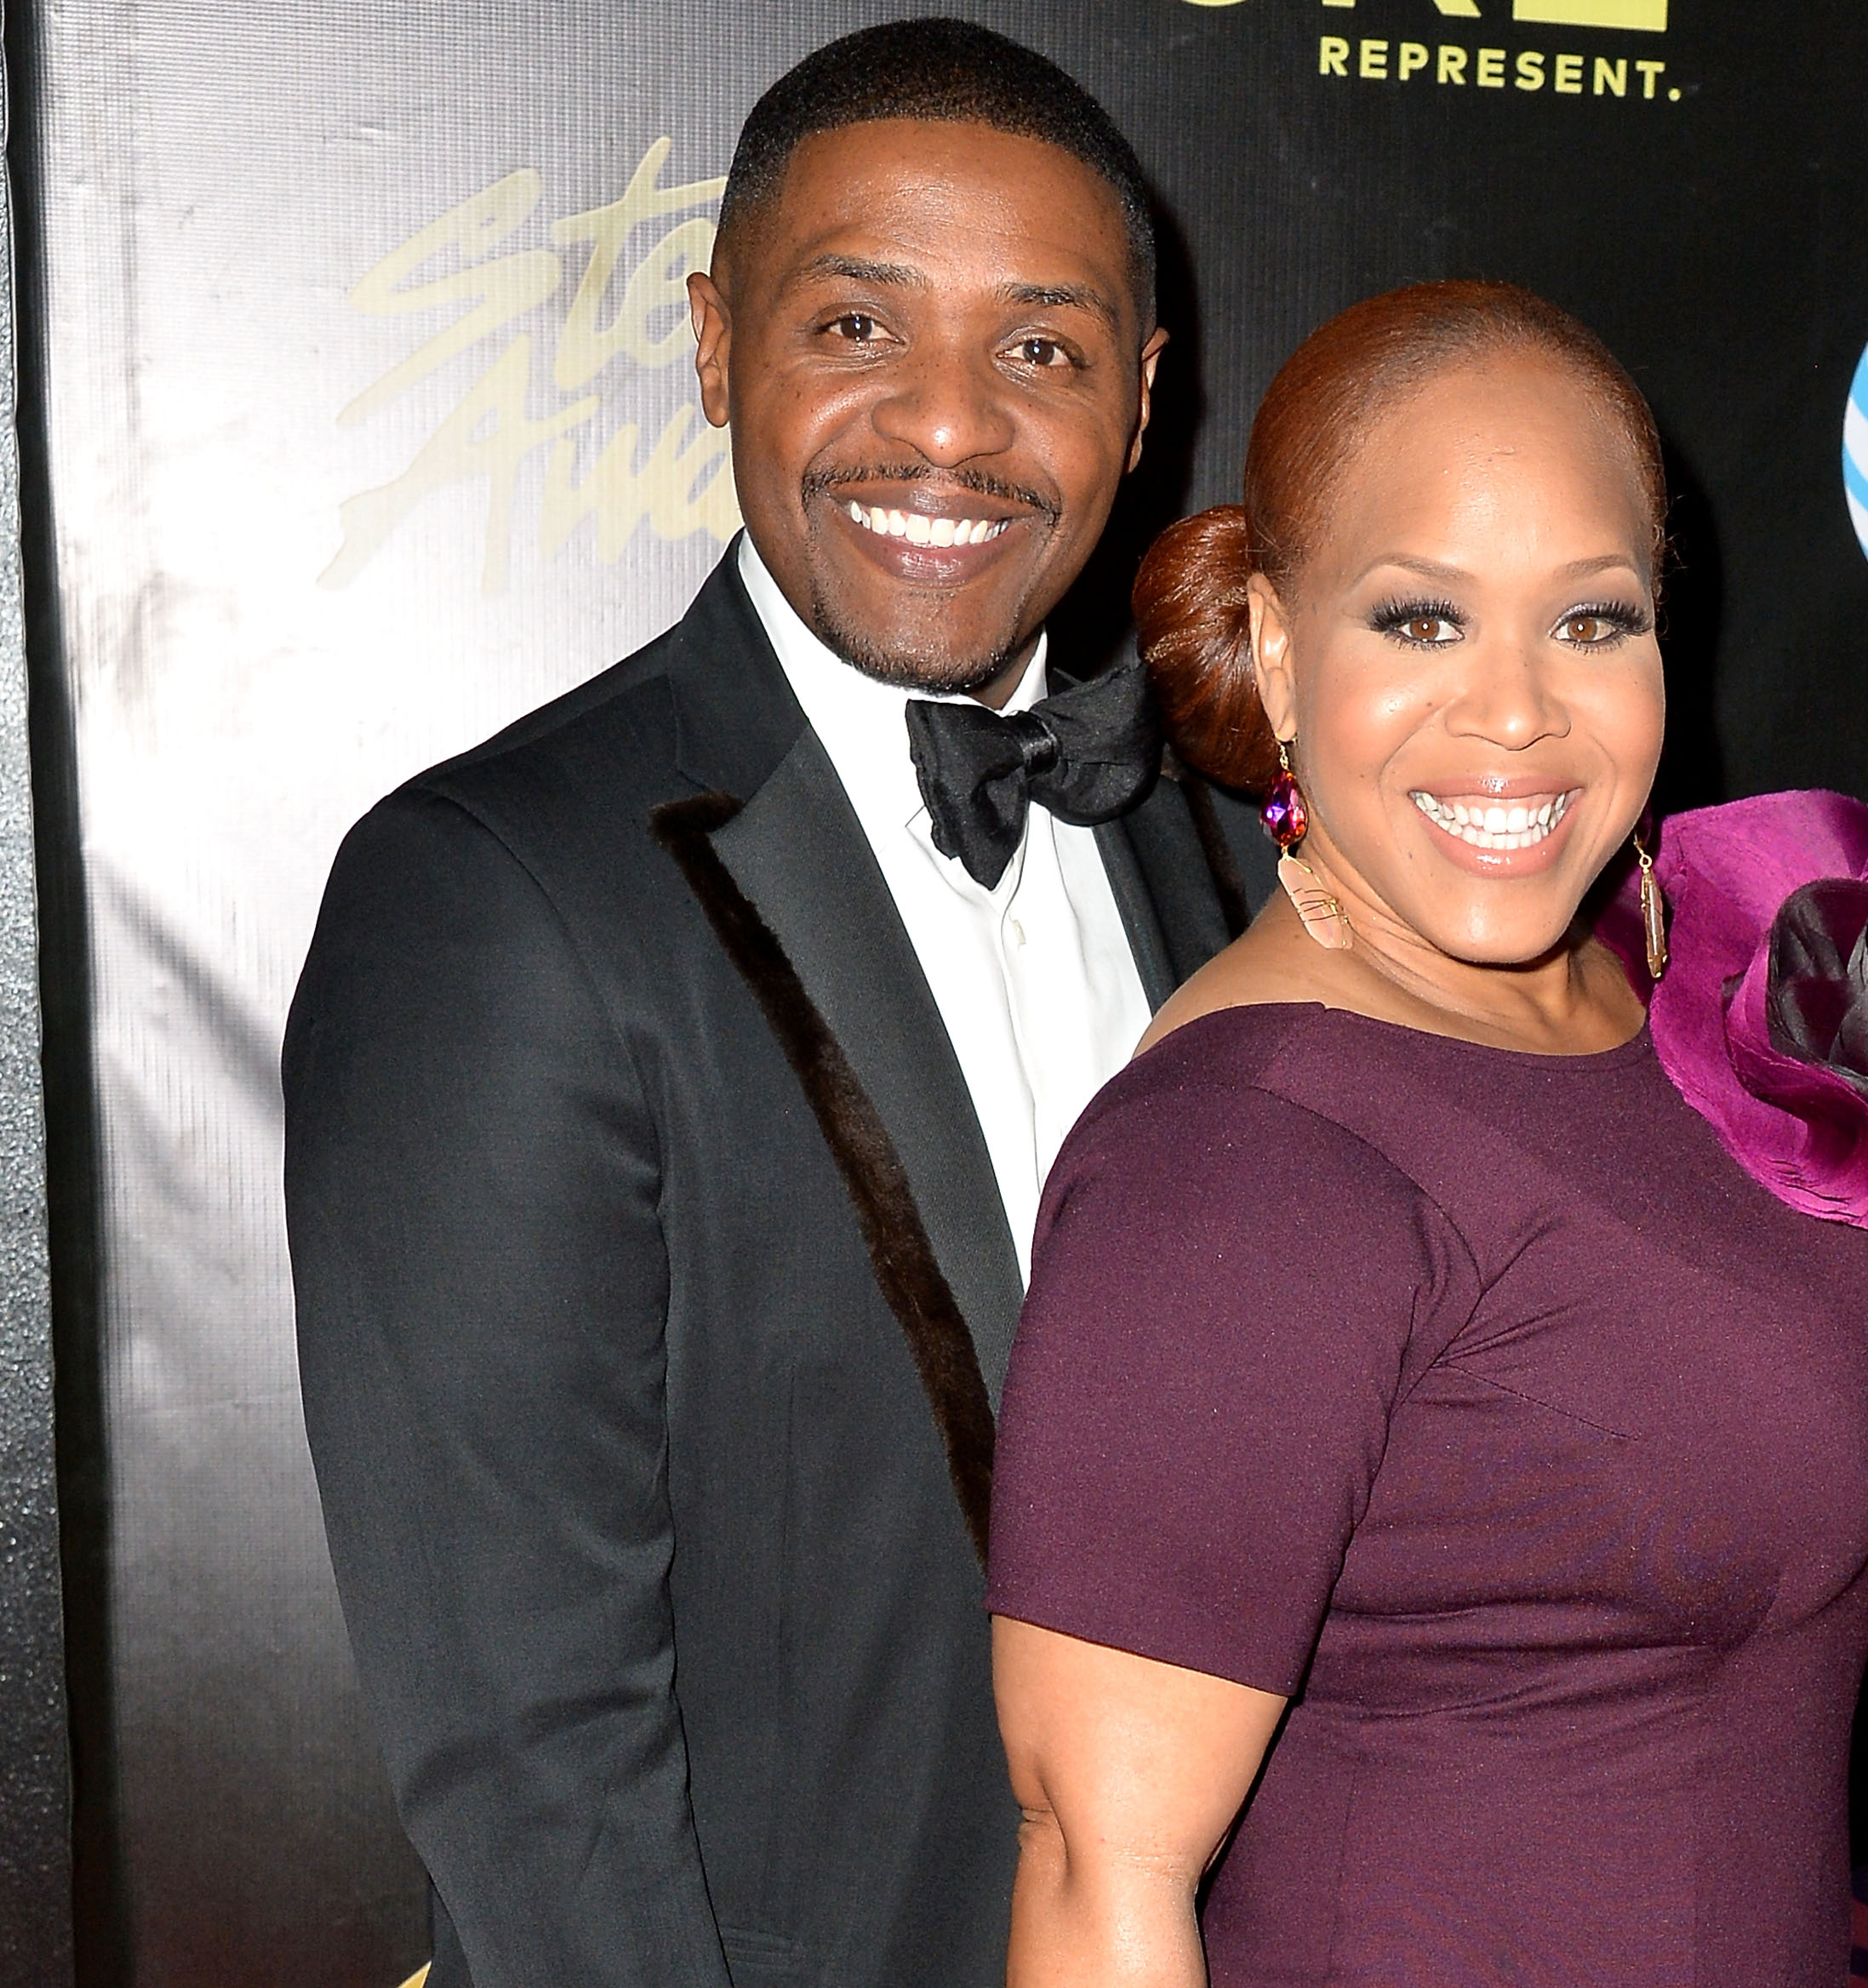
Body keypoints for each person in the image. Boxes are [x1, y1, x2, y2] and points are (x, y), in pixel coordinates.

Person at [985, 283, 1868, 1985]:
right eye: (1421, 620)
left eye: (1591, 620)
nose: (1518, 711)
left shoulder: (1672, 995)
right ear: (1276, 645)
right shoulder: (1244, 1161)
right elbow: (1095, 1875)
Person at [285, 21, 1260, 1987]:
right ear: (718, 343)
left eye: (1042, 348)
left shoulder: (1225, 854)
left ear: (1144, 400)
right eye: (855, 326)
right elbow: (534, 1760)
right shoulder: (494, 895)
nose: (951, 427)